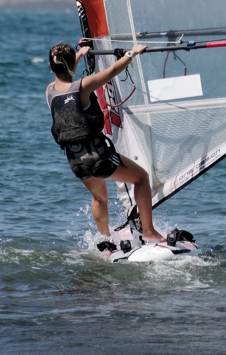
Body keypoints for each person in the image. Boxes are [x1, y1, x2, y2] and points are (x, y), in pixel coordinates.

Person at [46, 40, 165, 243]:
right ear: (71, 66)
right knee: (142, 178)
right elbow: (112, 71)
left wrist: (79, 55)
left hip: (76, 161)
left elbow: (65, 72)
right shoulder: (83, 86)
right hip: (99, 157)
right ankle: (149, 231)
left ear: (51, 67)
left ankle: (105, 240)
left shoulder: (50, 91)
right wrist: (132, 53)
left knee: (100, 197)